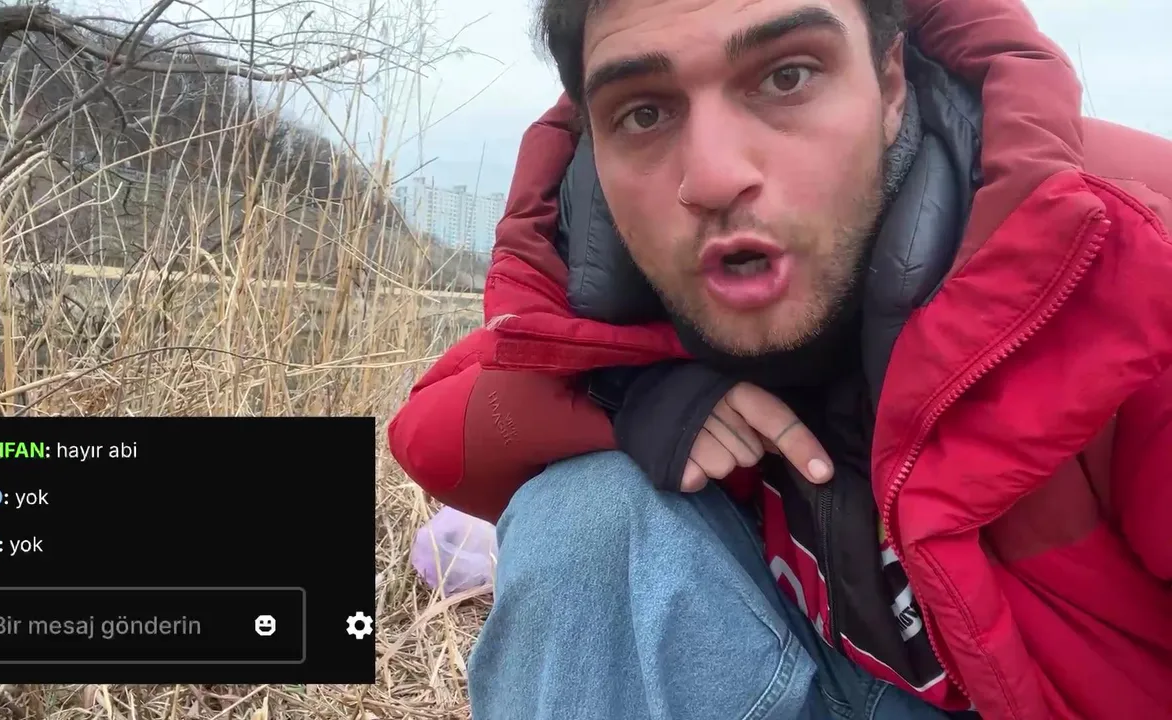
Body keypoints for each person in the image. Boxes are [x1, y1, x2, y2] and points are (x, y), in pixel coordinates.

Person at [388, 0, 1172, 717]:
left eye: (786, 76)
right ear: (595, 154)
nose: (713, 177)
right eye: (644, 112)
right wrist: (634, 395)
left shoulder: (1114, 258)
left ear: (890, 83)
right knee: (582, 515)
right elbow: (434, 428)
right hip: (816, 675)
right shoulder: (621, 276)